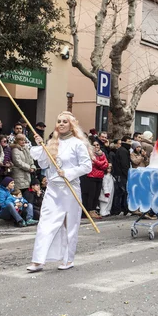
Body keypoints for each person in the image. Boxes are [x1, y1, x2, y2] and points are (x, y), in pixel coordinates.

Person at [26, 111, 91, 273]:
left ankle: (68, 259)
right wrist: (42, 146)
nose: (61, 124)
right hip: (53, 189)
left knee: (69, 224)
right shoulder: (53, 142)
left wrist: (68, 173)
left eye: (65, 121)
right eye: (59, 121)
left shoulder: (78, 144)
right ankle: (38, 260)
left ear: (71, 124)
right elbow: (43, 164)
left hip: (70, 189)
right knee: (45, 223)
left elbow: (86, 166)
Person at [82, 141, 108, 220]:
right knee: (91, 194)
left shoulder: (102, 154)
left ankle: (93, 209)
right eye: (94, 145)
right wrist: (100, 163)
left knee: (97, 194)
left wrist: (97, 162)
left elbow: (105, 165)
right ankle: (90, 210)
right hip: (91, 176)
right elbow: (100, 164)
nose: (96, 146)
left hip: (99, 176)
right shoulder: (90, 154)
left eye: (97, 145)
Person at [113, 136, 132, 216]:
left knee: (121, 192)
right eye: (129, 141)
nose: (130, 143)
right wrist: (127, 174)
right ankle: (121, 209)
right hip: (122, 175)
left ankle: (120, 209)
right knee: (122, 192)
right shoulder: (123, 151)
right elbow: (124, 164)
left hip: (120, 174)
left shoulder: (123, 150)